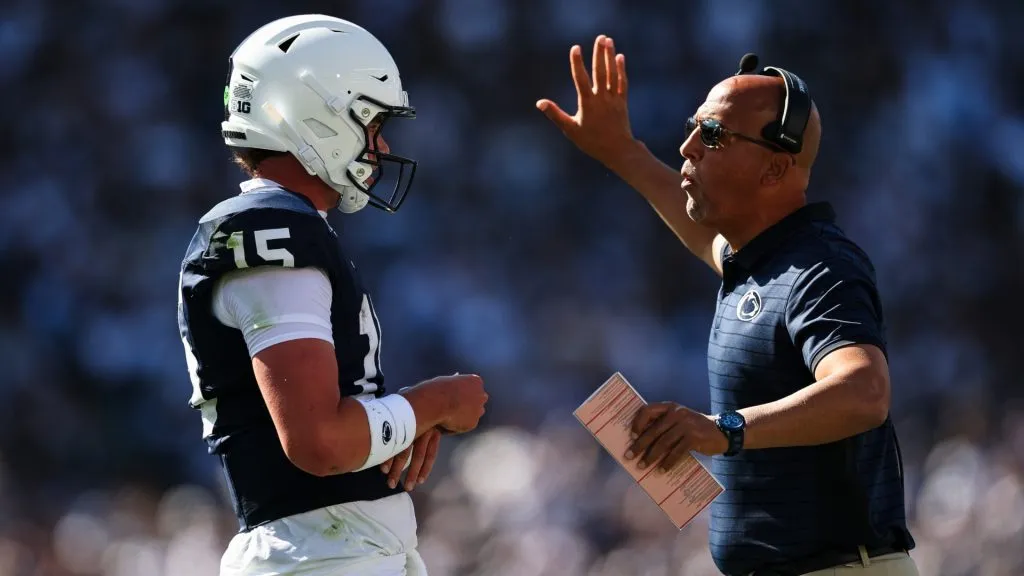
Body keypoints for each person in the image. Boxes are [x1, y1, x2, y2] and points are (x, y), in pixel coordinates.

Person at [537, 36, 919, 576]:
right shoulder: (759, 261)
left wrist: (725, 429)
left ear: (773, 169)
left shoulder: (819, 264)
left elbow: (864, 392)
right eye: (694, 127)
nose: (687, 146)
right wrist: (622, 151)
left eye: (712, 134)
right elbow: (701, 235)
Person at [177, 15, 488, 576]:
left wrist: (401, 418)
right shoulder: (269, 227)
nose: (382, 144)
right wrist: (434, 403)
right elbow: (318, 441)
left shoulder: (284, 225)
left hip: (332, 549)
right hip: (319, 552)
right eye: (370, 122)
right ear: (311, 114)